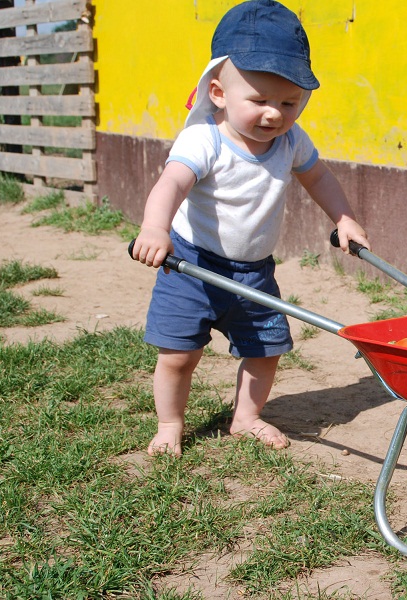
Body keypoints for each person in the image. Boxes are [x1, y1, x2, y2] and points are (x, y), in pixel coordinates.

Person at [131, 0, 370, 456]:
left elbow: (318, 176)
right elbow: (171, 183)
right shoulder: (204, 139)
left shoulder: (291, 141)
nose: (274, 114)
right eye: (259, 100)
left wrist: (343, 217)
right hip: (192, 265)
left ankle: (246, 417)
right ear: (218, 93)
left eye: (289, 102)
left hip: (253, 272)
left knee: (265, 351)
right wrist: (154, 228)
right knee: (179, 354)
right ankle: (169, 423)